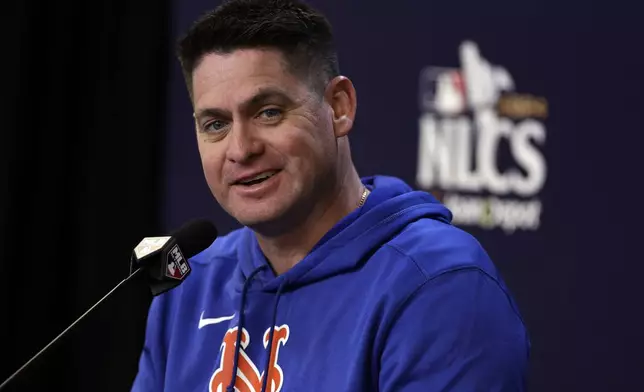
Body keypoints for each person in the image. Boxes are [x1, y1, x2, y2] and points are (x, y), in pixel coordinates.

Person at [131, 0, 530, 391]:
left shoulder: (440, 285)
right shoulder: (190, 284)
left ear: (339, 107)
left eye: (268, 112)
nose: (241, 148)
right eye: (215, 124)